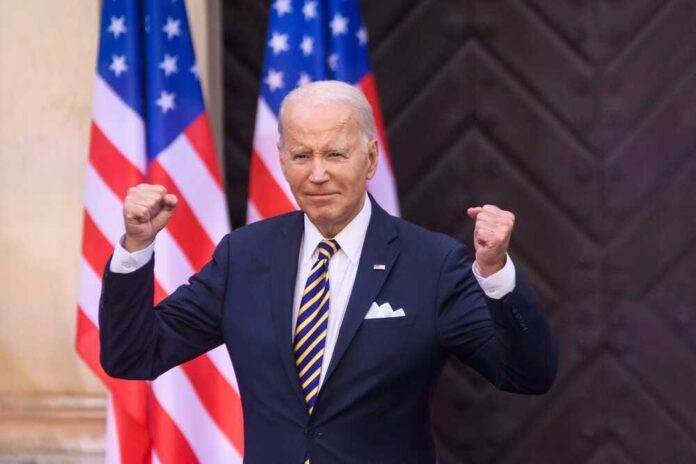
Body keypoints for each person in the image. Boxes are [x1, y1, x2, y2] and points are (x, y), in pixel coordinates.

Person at [100, 80, 557, 464]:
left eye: (335, 155)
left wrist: (495, 273)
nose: (317, 174)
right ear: (281, 159)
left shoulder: (431, 263)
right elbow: (134, 355)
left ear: (371, 158)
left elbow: (526, 374)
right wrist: (136, 247)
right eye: (301, 156)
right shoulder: (245, 256)